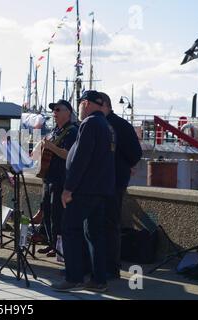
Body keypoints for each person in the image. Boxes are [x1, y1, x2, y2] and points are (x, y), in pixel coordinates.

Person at [52, 90, 115, 293]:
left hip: (84, 190)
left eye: (79, 104)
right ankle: (99, 279)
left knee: (70, 229)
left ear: (85, 103)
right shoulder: (105, 124)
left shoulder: (89, 123)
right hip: (100, 190)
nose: (79, 108)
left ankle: (74, 277)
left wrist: (68, 189)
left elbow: (81, 158)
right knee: (95, 234)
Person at [99, 92, 142, 279]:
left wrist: (120, 166)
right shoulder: (100, 124)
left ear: (105, 106)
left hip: (114, 182)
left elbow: (135, 153)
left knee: (110, 224)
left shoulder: (119, 125)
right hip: (100, 182)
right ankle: (100, 264)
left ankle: (111, 267)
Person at [38, 100, 78, 257]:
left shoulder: (72, 131)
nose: (54, 113)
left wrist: (51, 147)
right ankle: (51, 243)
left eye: (58, 109)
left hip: (61, 179)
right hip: (49, 178)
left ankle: (59, 247)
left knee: (57, 215)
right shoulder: (55, 130)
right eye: (53, 110)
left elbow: (69, 154)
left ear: (68, 112)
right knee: (46, 211)